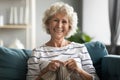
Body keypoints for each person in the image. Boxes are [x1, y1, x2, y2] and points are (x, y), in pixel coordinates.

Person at [26, 2, 99, 80]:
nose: (59, 25)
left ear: (69, 26)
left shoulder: (80, 48)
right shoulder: (37, 52)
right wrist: (45, 70)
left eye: (64, 21)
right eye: (55, 20)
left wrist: (79, 70)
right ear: (48, 23)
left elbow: (94, 78)